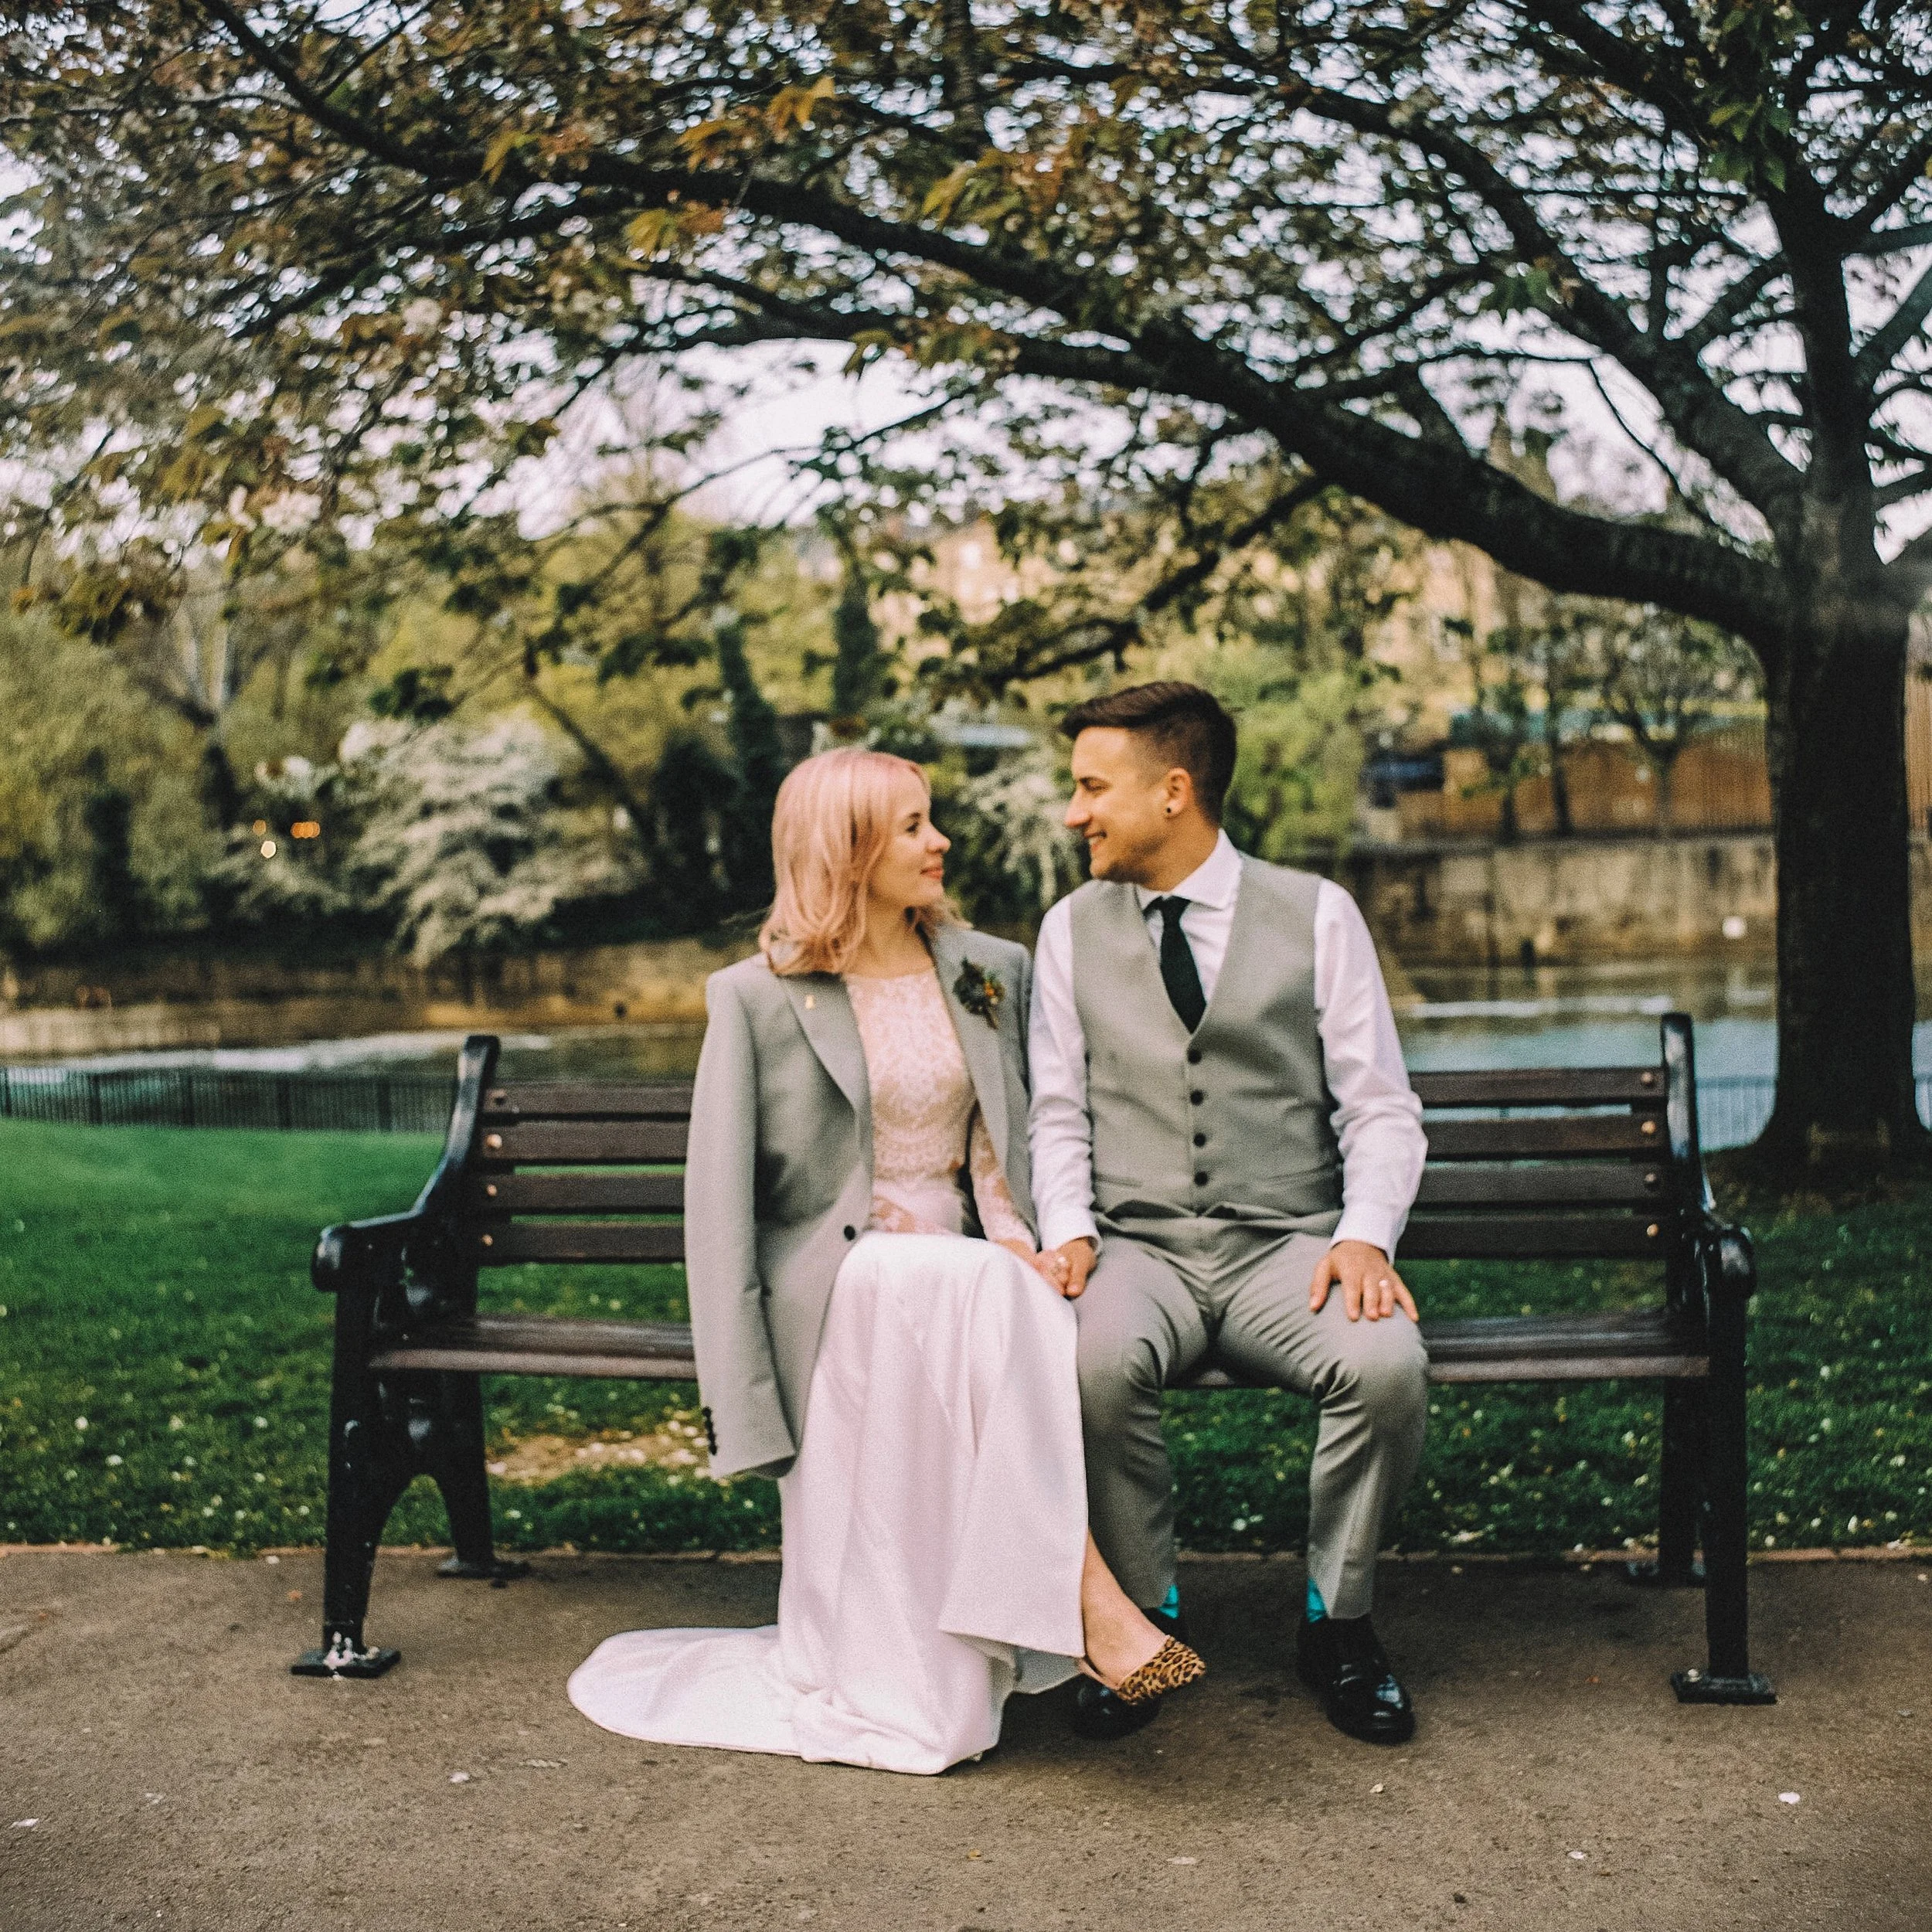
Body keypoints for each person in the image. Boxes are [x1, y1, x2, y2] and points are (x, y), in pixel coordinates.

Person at [569, 747, 1203, 1774]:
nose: (940, 840)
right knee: (976, 1288)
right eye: (913, 826)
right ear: (849, 850)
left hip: (962, 1267)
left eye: (930, 818)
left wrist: (1025, 1244)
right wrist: (745, 1405)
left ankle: (1029, 1617)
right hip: (837, 1279)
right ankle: (1090, 1598)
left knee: (1001, 1288)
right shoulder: (758, 997)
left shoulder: (987, 969)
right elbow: (718, 1212)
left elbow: (1001, 1135)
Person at [1029, 682, 1429, 1746]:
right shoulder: (1069, 930)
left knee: (1386, 1367)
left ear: (1173, 792)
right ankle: (1142, 1624)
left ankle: (1338, 1624)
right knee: (1086, 1363)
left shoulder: (1318, 914)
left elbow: (1381, 1107)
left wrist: (1363, 1237)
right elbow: (1057, 1112)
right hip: (1138, 1248)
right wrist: (1070, 1229)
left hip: (1286, 1246)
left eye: (1092, 788)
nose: (1074, 813)